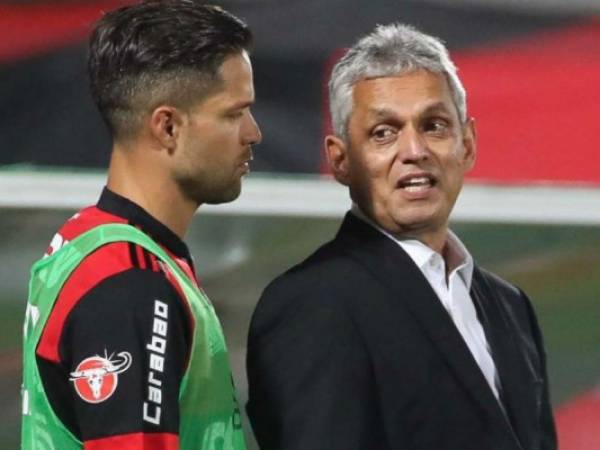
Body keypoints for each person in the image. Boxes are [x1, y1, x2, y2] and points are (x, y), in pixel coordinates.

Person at [247, 23, 556, 450]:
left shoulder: (511, 305)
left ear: (467, 144)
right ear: (340, 160)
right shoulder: (311, 304)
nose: (414, 150)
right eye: (383, 132)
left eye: (434, 125)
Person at [21, 2, 261, 449]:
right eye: (234, 113)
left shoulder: (90, 243)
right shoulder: (128, 284)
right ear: (168, 127)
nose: (253, 133)